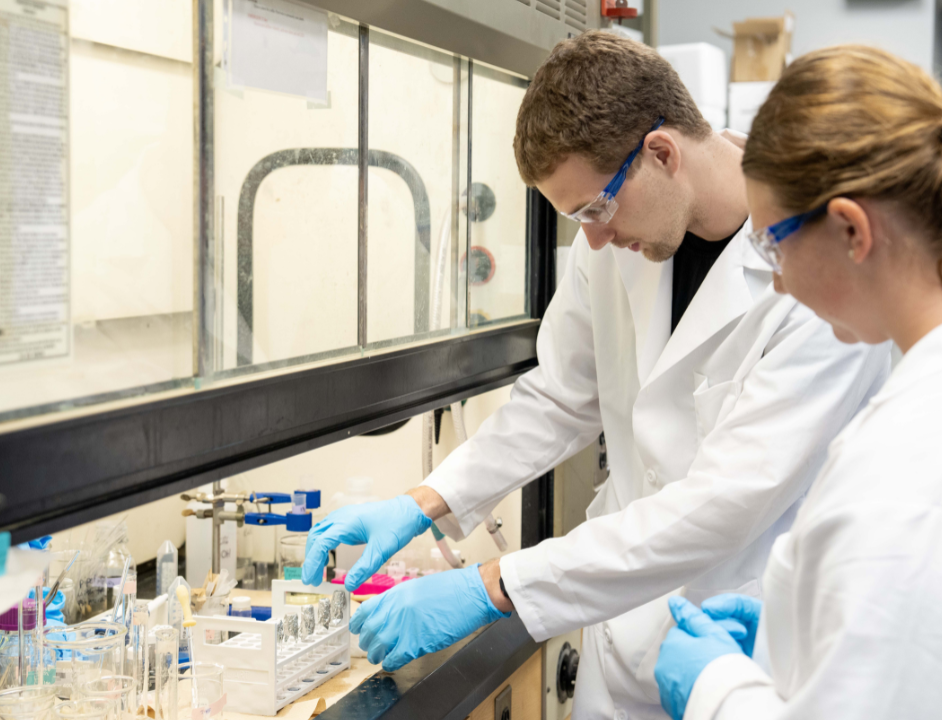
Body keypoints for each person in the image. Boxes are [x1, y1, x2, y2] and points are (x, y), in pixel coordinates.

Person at [304, 32, 893, 719]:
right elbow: (558, 397)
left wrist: (491, 587)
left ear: (662, 153)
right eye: (575, 216)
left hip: (738, 643)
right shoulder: (618, 241)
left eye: (594, 208)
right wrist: (427, 499)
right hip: (618, 640)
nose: (593, 238)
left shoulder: (817, 283)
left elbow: (721, 503)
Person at [653, 45, 942, 720]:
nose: (778, 279)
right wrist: (800, 643)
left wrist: (717, 692)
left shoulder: (931, 466)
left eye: (772, 243)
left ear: (851, 228)